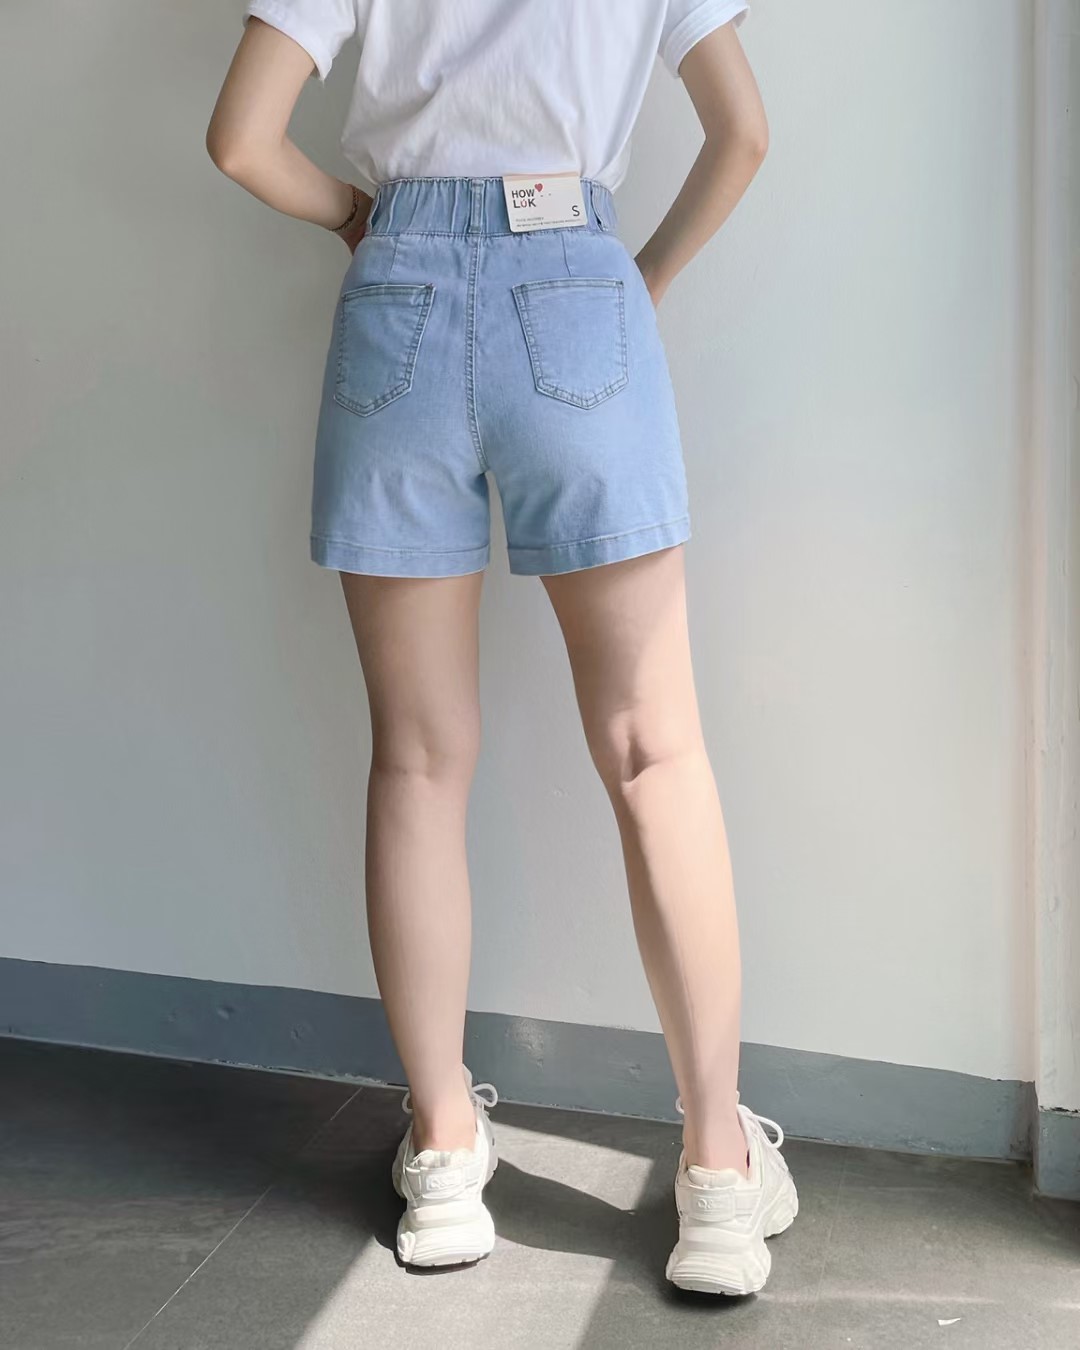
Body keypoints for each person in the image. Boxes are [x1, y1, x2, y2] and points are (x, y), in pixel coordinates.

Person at [206, 0, 797, 1297]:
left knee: (418, 762)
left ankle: (443, 1151)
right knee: (653, 752)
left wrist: (353, 214)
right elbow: (743, 133)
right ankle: (715, 1172)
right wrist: (635, 281)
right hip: (575, 279)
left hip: (400, 296)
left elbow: (242, 139)